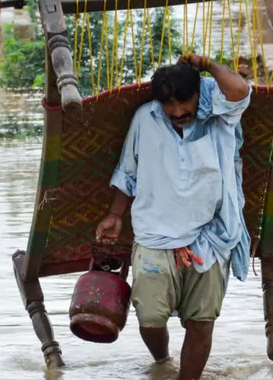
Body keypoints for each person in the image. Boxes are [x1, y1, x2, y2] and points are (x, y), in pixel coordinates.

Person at [95, 53, 252, 380]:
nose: (178, 112)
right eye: (169, 105)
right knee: (149, 319)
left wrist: (206, 63)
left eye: (185, 102)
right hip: (154, 236)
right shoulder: (145, 119)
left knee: (201, 322)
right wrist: (114, 216)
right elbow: (128, 172)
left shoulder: (219, 116)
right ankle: (163, 361)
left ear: (200, 95)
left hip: (210, 237)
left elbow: (238, 90)